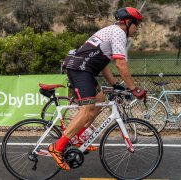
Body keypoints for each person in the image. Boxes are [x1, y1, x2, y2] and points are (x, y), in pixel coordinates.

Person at [48, 7, 147, 171]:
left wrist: (115, 84)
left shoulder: (112, 31)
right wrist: (134, 88)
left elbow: (104, 65)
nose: (137, 29)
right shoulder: (118, 33)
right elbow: (120, 64)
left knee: (100, 100)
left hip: (85, 69)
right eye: (137, 25)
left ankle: (78, 138)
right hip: (80, 70)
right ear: (128, 22)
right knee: (87, 110)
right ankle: (57, 147)